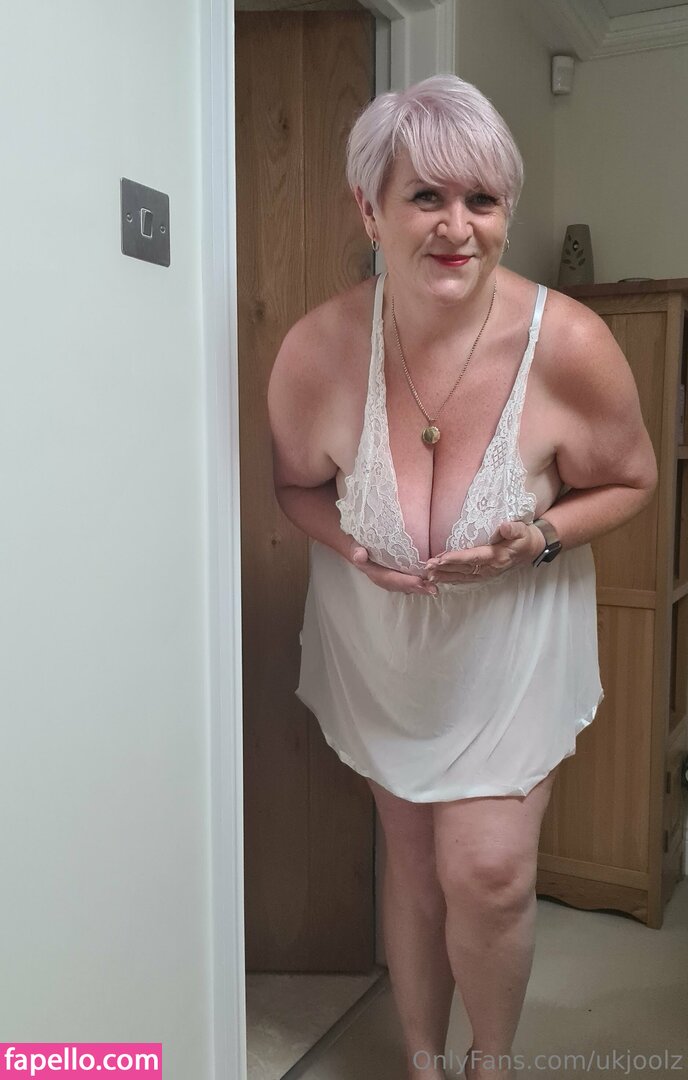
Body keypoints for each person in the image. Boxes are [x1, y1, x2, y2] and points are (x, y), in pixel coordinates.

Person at [267, 75, 657, 1080]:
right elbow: (294, 486)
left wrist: (538, 537)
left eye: (481, 200)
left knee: (485, 872)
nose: (457, 227)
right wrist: (351, 548)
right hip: (382, 654)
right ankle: (421, 1061)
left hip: (510, 655)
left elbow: (632, 479)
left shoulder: (570, 344)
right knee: (413, 865)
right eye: (425, 197)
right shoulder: (317, 349)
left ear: (506, 211)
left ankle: (491, 1062)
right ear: (369, 209)